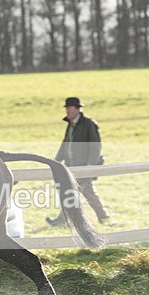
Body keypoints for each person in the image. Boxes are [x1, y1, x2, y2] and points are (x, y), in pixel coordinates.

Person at [47, 96, 109, 225]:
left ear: (77, 109)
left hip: (83, 168)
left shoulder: (88, 124)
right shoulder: (71, 125)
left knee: (72, 194)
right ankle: (104, 217)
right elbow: (65, 145)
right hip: (73, 167)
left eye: (70, 108)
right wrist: (56, 161)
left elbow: (95, 146)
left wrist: (90, 165)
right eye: (67, 108)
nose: (67, 111)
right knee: (88, 194)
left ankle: (62, 221)